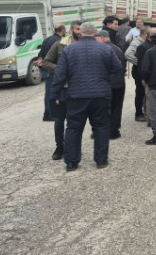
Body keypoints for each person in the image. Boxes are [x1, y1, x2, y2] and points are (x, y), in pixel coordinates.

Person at [50, 22, 121, 171]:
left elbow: (60, 74)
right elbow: (117, 67)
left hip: (76, 95)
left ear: (80, 33)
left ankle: (71, 162)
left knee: (74, 128)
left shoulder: (69, 50)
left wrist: (55, 94)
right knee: (101, 127)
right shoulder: (105, 49)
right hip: (101, 95)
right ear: (95, 33)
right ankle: (101, 160)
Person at [41, 21, 82, 161]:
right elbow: (46, 62)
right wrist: (60, 69)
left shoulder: (85, 46)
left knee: (74, 122)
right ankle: (59, 146)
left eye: (81, 29)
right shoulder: (59, 44)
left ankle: (72, 148)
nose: (79, 32)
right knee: (58, 121)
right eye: (77, 29)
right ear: (71, 30)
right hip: (61, 90)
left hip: (77, 90)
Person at [97, 30, 127, 140]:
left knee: (103, 108)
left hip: (106, 84)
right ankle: (114, 131)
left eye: (97, 38)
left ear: (103, 38)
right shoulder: (118, 49)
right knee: (116, 108)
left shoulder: (101, 50)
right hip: (119, 83)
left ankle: (102, 130)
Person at [37, 24, 65, 121]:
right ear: (63, 30)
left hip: (45, 68)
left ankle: (48, 112)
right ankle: (50, 114)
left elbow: (40, 54)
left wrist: (40, 60)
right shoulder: (58, 42)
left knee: (48, 92)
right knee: (52, 92)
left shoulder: (47, 39)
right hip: (52, 69)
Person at [125, 26, 150, 121]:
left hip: (143, 70)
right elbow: (128, 54)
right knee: (140, 93)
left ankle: (147, 112)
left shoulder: (144, 42)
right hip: (139, 71)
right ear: (145, 34)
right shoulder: (137, 42)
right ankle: (138, 114)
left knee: (145, 93)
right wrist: (141, 63)